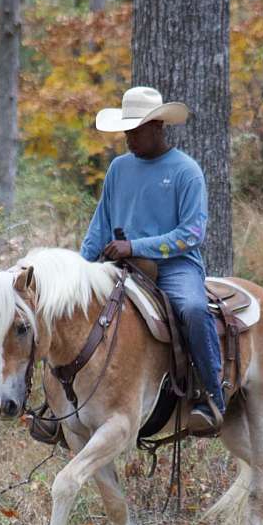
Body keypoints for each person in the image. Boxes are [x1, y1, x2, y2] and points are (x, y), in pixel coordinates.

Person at [80, 86, 225, 432]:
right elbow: (99, 226)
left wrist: (136, 247)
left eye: (136, 129)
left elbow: (192, 233)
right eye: (126, 130)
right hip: (120, 266)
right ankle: (67, 404)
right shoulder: (118, 169)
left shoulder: (186, 171)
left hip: (175, 266)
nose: (129, 137)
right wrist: (80, 269)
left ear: (159, 125)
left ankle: (212, 396)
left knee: (191, 309)